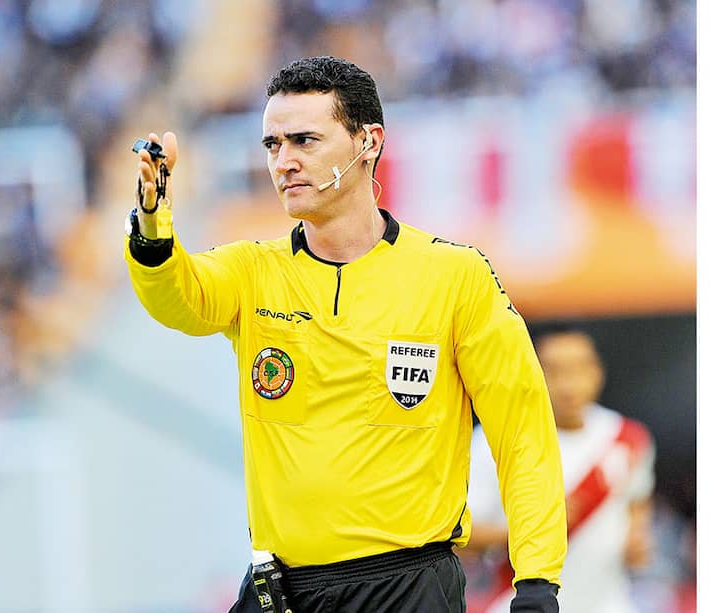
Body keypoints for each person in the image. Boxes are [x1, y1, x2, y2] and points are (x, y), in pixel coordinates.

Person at [124, 56, 566, 612]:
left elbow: (523, 436)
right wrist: (152, 228)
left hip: (407, 588)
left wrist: (537, 580)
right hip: (282, 592)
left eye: (304, 141)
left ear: (368, 142)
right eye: (272, 145)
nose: (284, 161)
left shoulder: (455, 276)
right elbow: (179, 298)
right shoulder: (252, 272)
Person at [462, 325, 656, 613]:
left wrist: (636, 538)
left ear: (597, 372)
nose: (568, 385)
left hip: (610, 603)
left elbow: (637, 502)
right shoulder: (495, 441)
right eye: (554, 371)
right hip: (521, 604)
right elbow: (460, 534)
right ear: (531, 374)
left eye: (579, 369)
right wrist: (538, 528)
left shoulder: (628, 438)